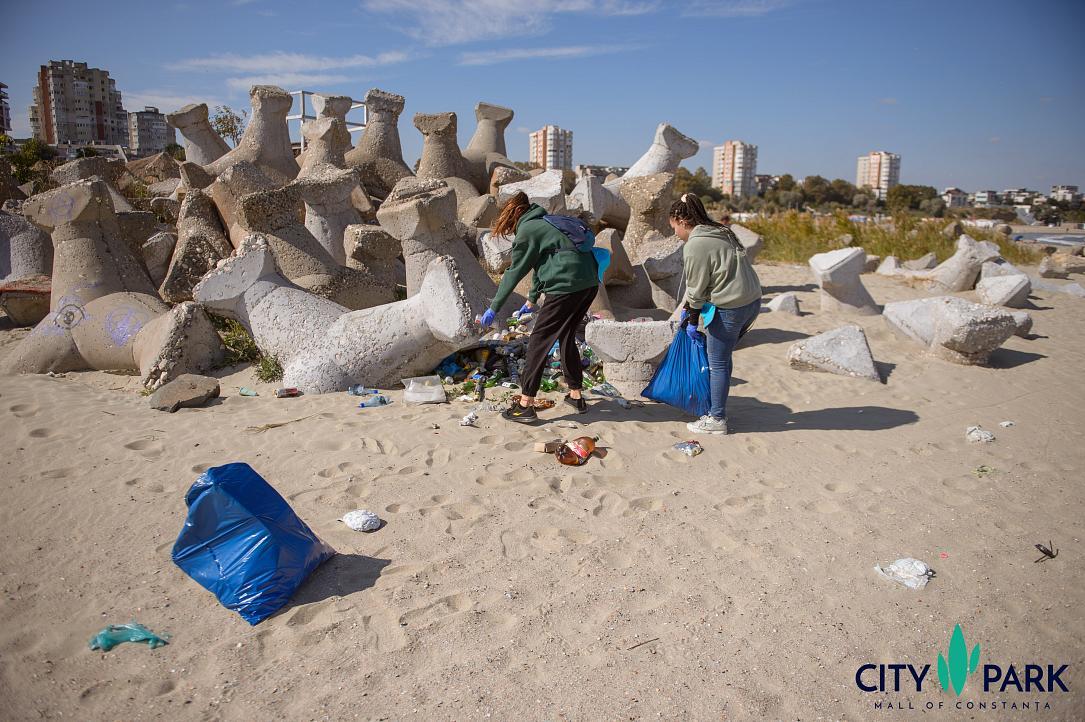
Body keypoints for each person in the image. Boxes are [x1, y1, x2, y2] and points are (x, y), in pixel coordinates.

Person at [479, 192, 600, 424]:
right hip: (589, 283)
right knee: (566, 335)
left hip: (566, 285)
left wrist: (494, 308)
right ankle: (576, 395)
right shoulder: (549, 222)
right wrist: (531, 300)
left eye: (510, 223)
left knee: (539, 341)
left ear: (516, 213)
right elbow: (543, 263)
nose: (512, 229)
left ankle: (526, 404)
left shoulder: (528, 229)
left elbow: (515, 271)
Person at [669, 193, 762, 435]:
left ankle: (717, 419)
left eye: (674, 228)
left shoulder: (696, 244)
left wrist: (691, 319)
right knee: (723, 357)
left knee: (717, 362)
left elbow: (697, 288)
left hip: (730, 307)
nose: (675, 234)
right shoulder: (721, 231)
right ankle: (717, 406)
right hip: (751, 302)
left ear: (681, 220)